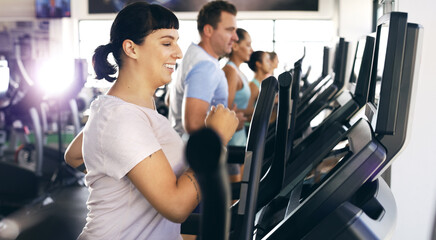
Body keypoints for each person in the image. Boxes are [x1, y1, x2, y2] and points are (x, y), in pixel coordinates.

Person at [64, 2, 238, 239]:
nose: (178, 53)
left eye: (176, 42)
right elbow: (176, 207)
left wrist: (119, 176)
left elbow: (73, 155)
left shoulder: (123, 109)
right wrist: (216, 139)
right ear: (131, 49)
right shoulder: (120, 117)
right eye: (167, 43)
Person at [168, 0, 243, 141]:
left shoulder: (194, 56)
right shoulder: (205, 66)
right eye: (229, 30)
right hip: (194, 156)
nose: (235, 37)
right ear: (208, 30)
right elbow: (193, 124)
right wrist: (231, 124)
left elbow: (169, 101)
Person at [222, 28, 253, 182]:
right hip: (232, 140)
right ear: (235, 46)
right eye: (247, 45)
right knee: (234, 199)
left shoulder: (239, 72)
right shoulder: (230, 71)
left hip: (240, 138)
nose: (251, 50)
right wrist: (253, 112)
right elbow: (225, 111)